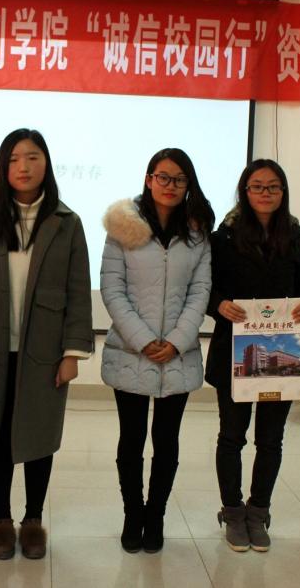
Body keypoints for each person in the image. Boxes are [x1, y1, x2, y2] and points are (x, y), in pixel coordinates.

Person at [0, 128, 93, 561]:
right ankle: (1, 519)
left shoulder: (67, 223)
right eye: (14, 159)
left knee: (38, 435)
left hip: (45, 351)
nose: (24, 167)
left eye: (32, 157)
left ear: (46, 163)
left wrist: (72, 353)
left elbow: (78, 290)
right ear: (3, 167)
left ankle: (33, 520)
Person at [100, 148, 214, 554]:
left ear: (188, 185)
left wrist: (178, 340)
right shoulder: (123, 226)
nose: (170, 185)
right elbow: (112, 288)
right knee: (131, 440)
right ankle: (133, 514)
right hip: (131, 352)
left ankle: (156, 515)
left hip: (178, 355)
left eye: (179, 179)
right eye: (162, 177)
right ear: (149, 179)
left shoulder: (197, 233)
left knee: (166, 441)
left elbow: (201, 291)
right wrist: (144, 339)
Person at [204, 159, 300, 552]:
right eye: (257, 186)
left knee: (271, 440)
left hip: (282, 353)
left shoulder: (297, 237)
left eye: (273, 187)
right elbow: (207, 288)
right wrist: (219, 304)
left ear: (283, 193)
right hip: (235, 351)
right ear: (244, 191)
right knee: (232, 436)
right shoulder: (224, 237)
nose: (265, 193)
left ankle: (259, 511)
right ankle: (233, 511)